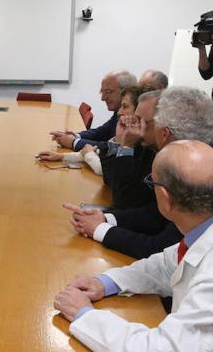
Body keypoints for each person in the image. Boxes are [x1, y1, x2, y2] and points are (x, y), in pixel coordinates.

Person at [54, 140, 213, 352]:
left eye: (152, 182)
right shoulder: (199, 232)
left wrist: (84, 315)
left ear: (165, 199)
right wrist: (107, 282)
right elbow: (166, 265)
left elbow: (162, 349)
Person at [63, 87, 213, 259]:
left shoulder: (196, 173)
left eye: (142, 122)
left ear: (164, 133)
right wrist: (106, 219)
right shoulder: (173, 155)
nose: (137, 129)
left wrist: (100, 229)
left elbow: (161, 249)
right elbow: (154, 213)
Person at [37, 85, 142, 175]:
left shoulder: (138, 143)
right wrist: (61, 156)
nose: (119, 112)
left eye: (125, 107)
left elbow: (106, 171)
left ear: (139, 111)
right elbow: (101, 150)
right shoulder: (124, 128)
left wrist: (81, 148)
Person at [50, 70, 137, 151]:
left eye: (107, 92)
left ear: (125, 91)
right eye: (101, 92)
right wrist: (76, 136)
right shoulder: (118, 113)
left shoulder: (134, 119)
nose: (102, 98)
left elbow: (110, 148)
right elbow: (101, 132)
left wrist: (74, 142)